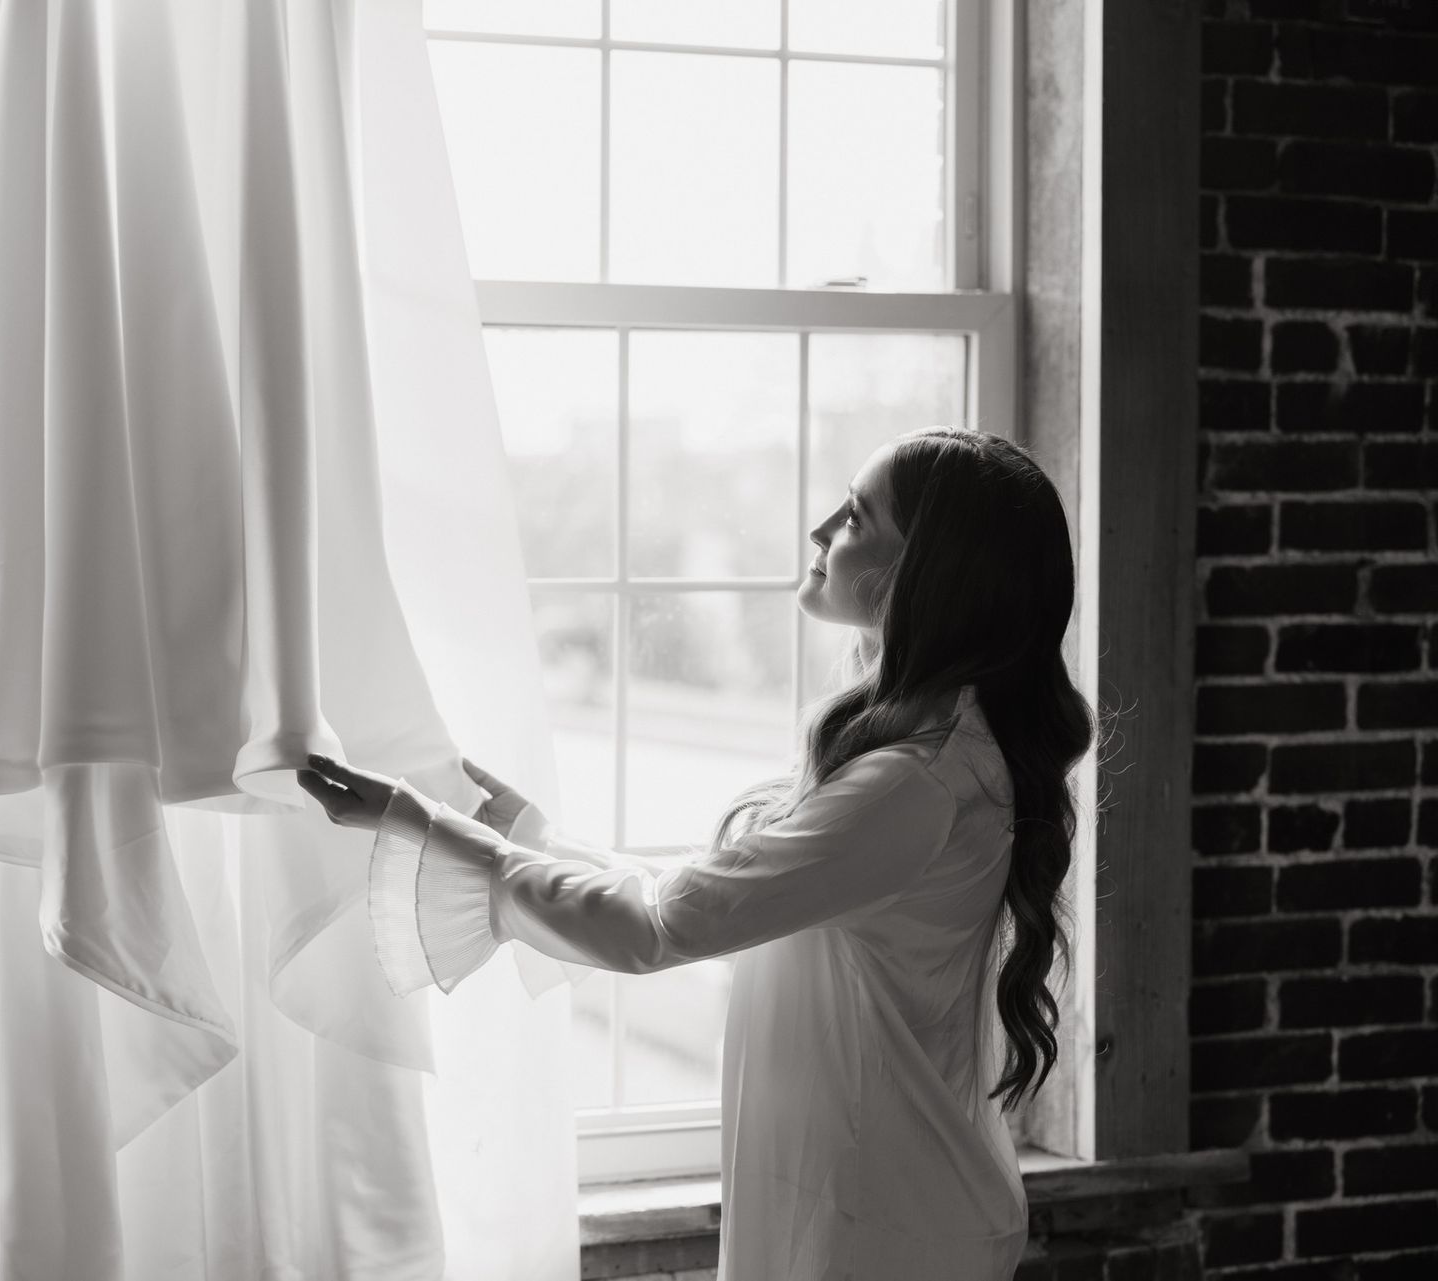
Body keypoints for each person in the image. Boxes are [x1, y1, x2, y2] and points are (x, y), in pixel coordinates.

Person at [297, 426, 1099, 1280]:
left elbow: (658, 927)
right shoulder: (923, 758)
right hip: (870, 1197)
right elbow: (713, 897)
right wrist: (524, 836)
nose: (822, 527)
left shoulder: (913, 786)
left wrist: (431, 831)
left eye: (858, 516)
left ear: (926, 576)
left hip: (886, 1225)